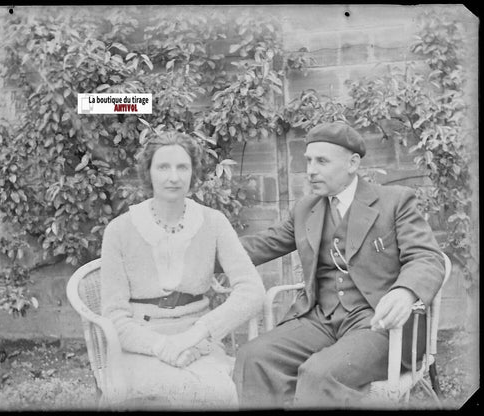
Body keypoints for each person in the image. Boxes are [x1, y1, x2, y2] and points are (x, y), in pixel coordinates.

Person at [232, 121, 445, 409]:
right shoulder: (306, 208)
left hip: (379, 324)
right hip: (320, 319)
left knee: (320, 373)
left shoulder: (394, 202)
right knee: (253, 357)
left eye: (321, 161)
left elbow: (426, 256)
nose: (310, 170)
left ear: (352, 163)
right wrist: (202, 252)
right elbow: (261, 245)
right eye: (308, 161)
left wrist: (404, 292)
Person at [100, 131, 265, 410]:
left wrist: (198, 334)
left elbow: (252, 291)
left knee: (217, 393)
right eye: (163, 167)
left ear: (193, 172)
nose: (173, 177)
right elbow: (114, 315)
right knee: (159, 396)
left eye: (182, 167)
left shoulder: (214, 223)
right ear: (148, 172)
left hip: (197, 343)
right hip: (140, 344)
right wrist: (163, 347)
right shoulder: (119, 230)